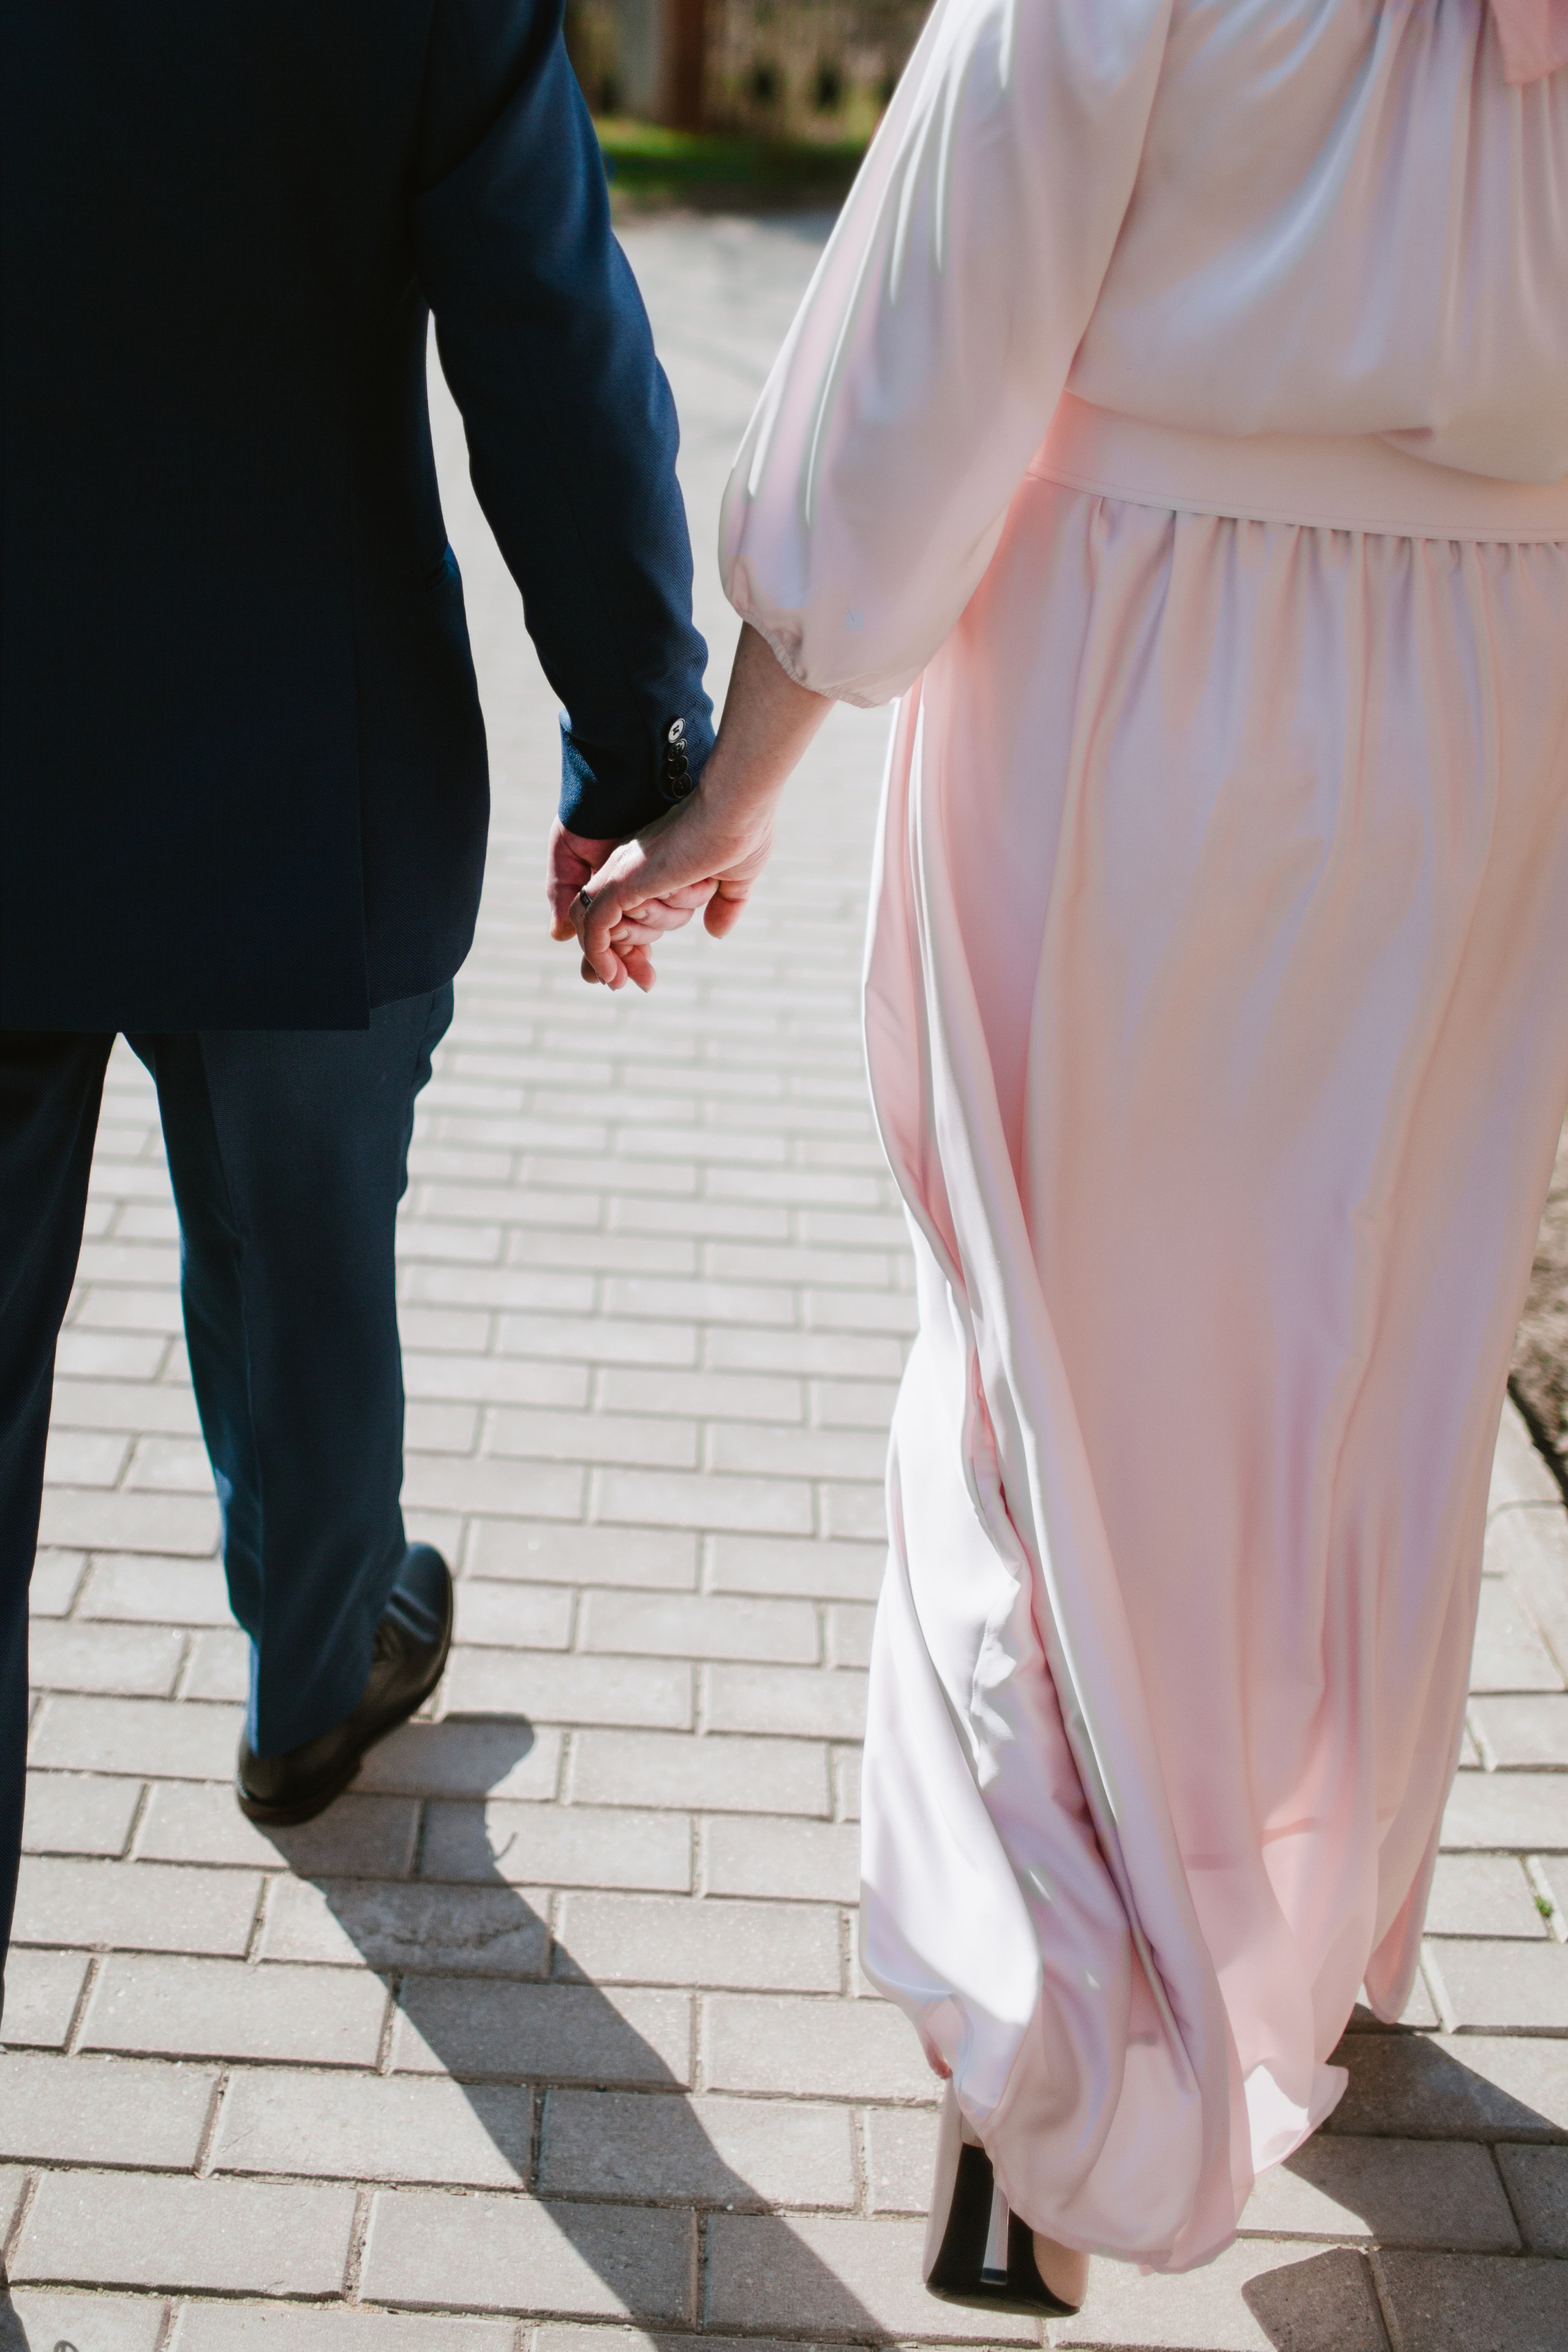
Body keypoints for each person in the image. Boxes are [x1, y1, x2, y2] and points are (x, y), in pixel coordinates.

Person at [568, 0, 1568, 2309]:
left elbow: (935, 327)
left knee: (1058, 1351)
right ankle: (1331, 1927)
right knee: (1386, 1316)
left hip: (1148, 661)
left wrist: (745, 770)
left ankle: (1049, 2085)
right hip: (1500, 685)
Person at [0, 0, 713, 2028]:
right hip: (301, 768)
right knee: (309, 1259)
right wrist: (642, 743)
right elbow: (553, 348)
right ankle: (318, 1686)